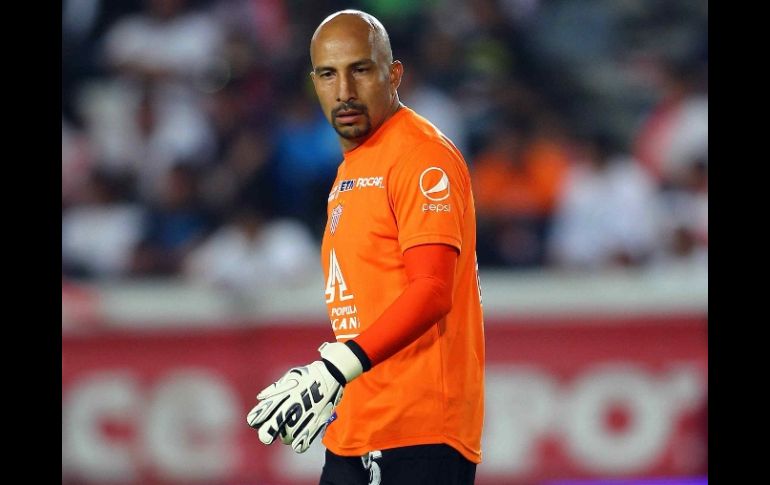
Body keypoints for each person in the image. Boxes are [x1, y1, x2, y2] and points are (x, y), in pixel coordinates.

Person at [246, 9, 484, 485]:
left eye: (361, 69)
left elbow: (432, 289)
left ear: (393, 74)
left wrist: (335, 367)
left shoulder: (420, 155)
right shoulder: (352, 169)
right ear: (313, 82)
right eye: (329, 74)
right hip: (356, 426)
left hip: (416, 433)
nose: (345, 91)